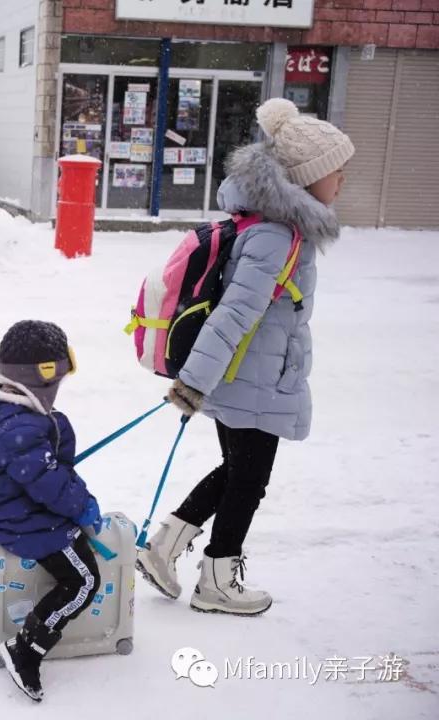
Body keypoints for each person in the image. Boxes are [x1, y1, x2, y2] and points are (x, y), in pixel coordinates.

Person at [136, 98, 355, 616]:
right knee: (248, 482)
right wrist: (192, 384)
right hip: (249, 379)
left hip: (246, 378)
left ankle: (164, 547)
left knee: (238, 472)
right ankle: (217, 579)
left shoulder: (276, 229)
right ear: (305, 179)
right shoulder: (276, 236)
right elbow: (234, 314)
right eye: (336, 173)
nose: (342, 182)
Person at [0, 320, 102, 702]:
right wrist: (83, 508)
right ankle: (26, 648)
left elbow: (40, 471)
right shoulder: (23, 429)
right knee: (83, 581)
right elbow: (50, 486)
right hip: (21, 519)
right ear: (43, 379)